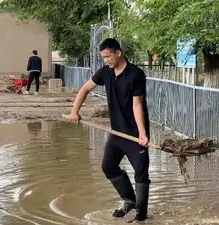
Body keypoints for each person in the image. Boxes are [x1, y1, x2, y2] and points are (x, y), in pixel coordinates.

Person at [67, 38, 150, 223]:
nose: (106, 61)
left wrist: (142, 134)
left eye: (108, 56)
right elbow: (85, 89)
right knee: (108, 166)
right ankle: (129, 200)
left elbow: (137, 105)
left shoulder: (136, 74)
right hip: (117, 133)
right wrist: (74, 111)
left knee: (141, 173)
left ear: (118, 53)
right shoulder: (106, 72)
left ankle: (141, 217)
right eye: (103, 57)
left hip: (135, 134)